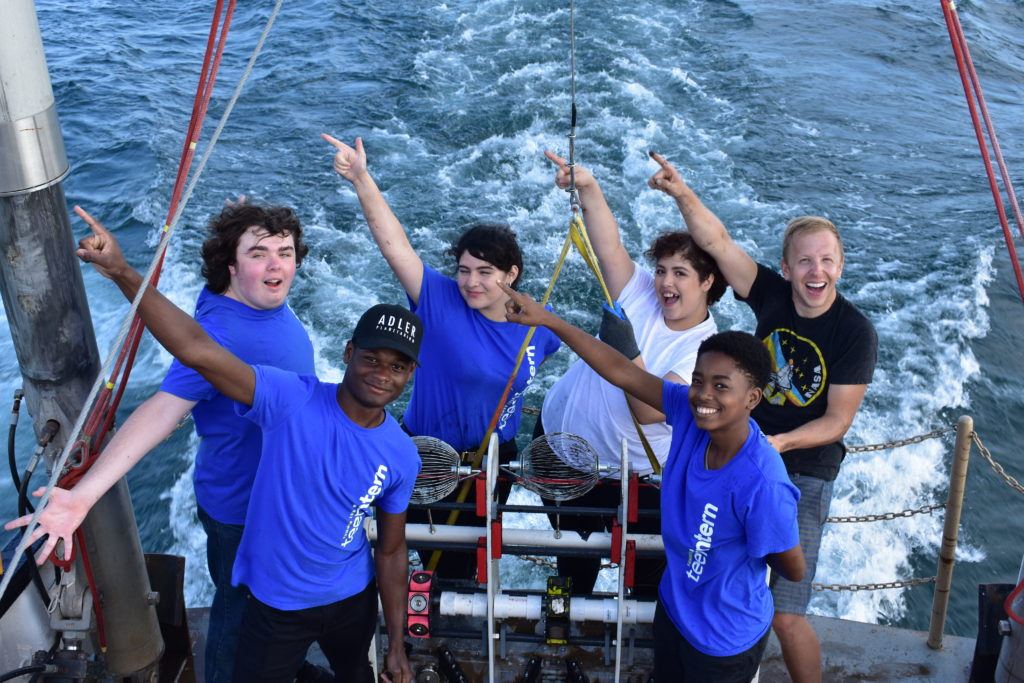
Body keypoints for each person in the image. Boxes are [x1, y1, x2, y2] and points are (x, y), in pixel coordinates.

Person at [9, 213, 421, 682]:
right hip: (243, 511)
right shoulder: (225, 331)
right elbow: (163, 408)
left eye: (284, 253)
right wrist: (83, 497)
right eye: (258, 254)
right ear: (229, 265)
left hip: (294, 504)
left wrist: (247, 225)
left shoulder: (261, 304)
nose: (276, 266)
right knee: (238, 613)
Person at [647, 152, 878, 683]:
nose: (814, 271)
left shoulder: (854, 332)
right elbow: (719, 244)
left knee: (789, 612)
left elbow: (837, 421)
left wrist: (778, 445)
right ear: (787, 265)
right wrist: (682, 194)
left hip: (802, 472)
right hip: (742, 458)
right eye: (803, 261)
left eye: (825, 261)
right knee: (714, 572)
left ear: (839, 266)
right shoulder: (772, 295)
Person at [500, 284, 804, 683]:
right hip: (675, 610)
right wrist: (547, 319)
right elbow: (622, 371)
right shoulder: (688, 413)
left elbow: (792, 567)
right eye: (698, 380)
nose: (703, 395)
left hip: (722, 637)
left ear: (753, 398)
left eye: (721, 386)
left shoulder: (762, 482)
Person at [322, 134, 561, 580]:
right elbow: (393, 245)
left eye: (485, 273)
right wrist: (360, 178)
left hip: (494, 459)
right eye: (465, 270)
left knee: (468, 560)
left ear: (511, 274)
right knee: (413, 545)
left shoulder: (540, 327)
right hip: (429, 454)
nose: (471, 282)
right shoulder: (437, 298)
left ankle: (448, 623)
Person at [534, 152, 724, 596]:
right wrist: (588, 186)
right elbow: (609, 247)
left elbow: (647, 409)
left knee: (642, 578)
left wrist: (625, 345)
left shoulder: (705, 351)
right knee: (572, 564)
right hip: (558, 450)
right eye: (660, 271)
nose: (664, 283)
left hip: (629, 481)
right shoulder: (639, 292)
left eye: (680, 273)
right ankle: (567, 639)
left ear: (708, 281)